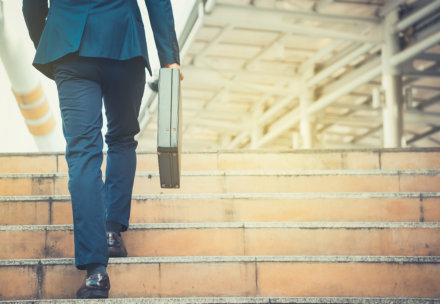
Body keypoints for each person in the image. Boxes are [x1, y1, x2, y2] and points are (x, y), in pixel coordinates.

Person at [22, 0, 182, 299]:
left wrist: (48, 41)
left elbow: (31, 4)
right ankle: (111, 232)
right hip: (124, 41)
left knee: (83, 153)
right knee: (122, 139)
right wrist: (169, 57)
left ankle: (96, 271)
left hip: (69, 47)